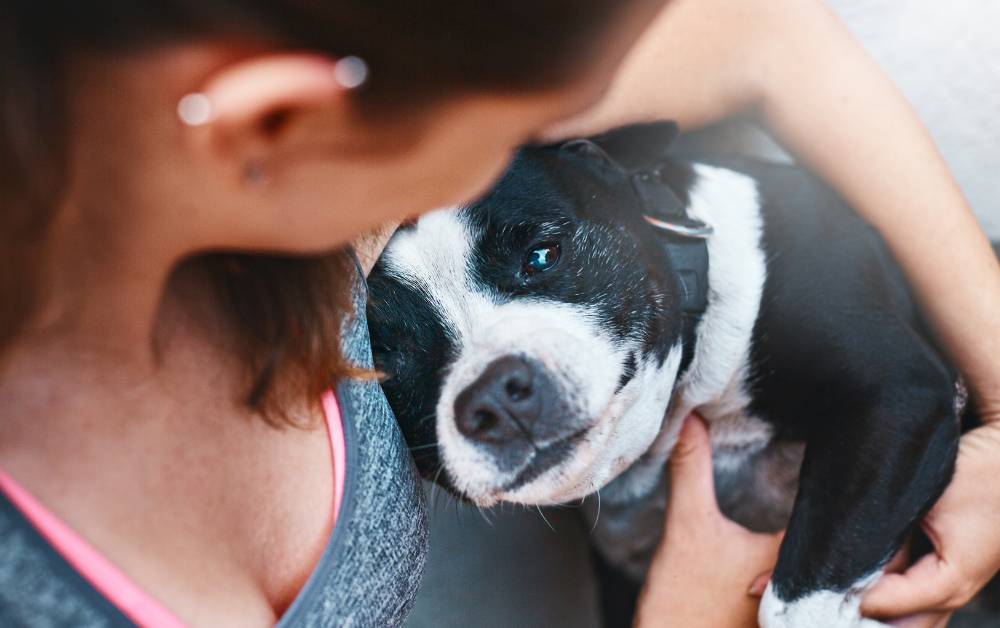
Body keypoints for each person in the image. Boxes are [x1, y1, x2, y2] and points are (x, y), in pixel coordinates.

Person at [0, 0, 996, 626]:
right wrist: (691, 605)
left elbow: (759, 29)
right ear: (284, 123)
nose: (495, 163)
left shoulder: (325, 192)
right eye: (496, 137)